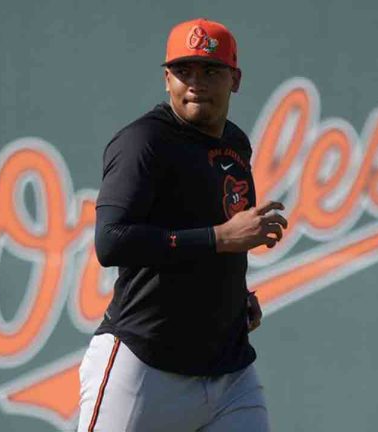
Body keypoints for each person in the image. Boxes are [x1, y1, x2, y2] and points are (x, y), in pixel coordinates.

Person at [77, 17, 288, 431]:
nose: (195, 82)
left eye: (210, 70)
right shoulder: (144, 142)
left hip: (229, 374)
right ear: (166, 79)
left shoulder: (236, 143)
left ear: (235, 79)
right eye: (182, 71)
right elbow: (111, 242)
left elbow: (212, 231)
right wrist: (218, 239)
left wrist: (232, 294)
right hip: (144, 364)